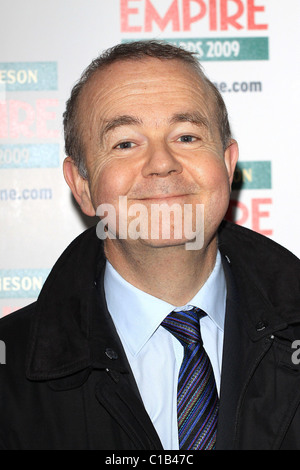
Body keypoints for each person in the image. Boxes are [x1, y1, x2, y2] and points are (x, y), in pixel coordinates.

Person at [0, 40, 299, 451]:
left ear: (228, 167)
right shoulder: (9, 373)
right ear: (82, 187)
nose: (162, 163)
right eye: (125, 143)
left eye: (188, 136)